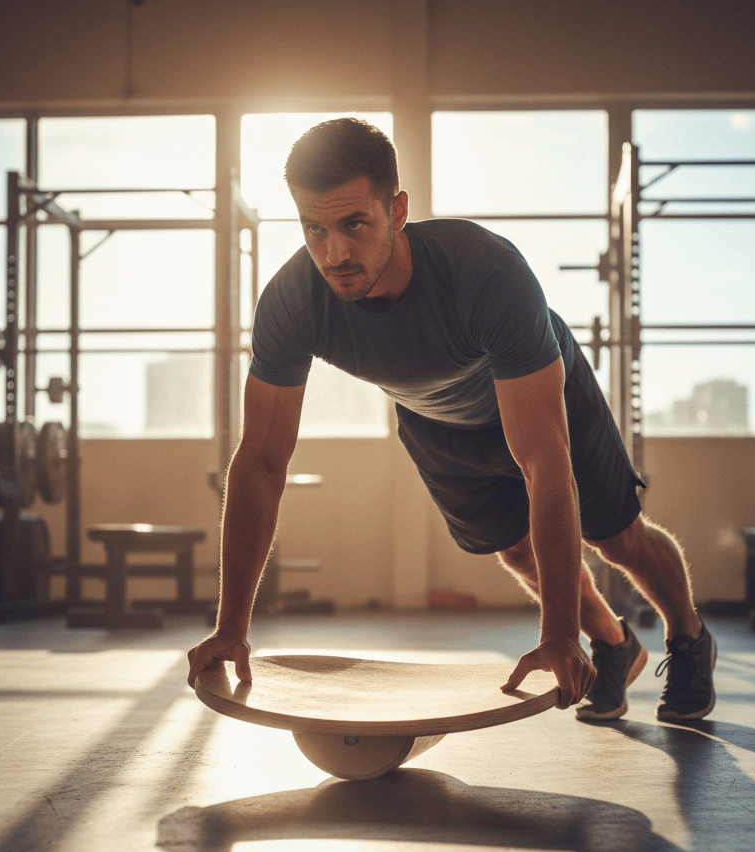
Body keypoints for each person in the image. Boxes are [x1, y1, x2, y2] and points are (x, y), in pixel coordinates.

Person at [187, 118, 717, 722]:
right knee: (516, 552)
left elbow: (544, 462)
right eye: (315, 229)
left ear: (398, 211)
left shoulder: (485, 274)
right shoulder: (292, 302)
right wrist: (231, 627)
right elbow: (259, 462)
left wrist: (554, 634)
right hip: (433, 418)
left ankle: (689, 636)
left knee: (616, 538)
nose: (335, 253)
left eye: (355, 224)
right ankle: (614, 644)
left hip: (546, 392)